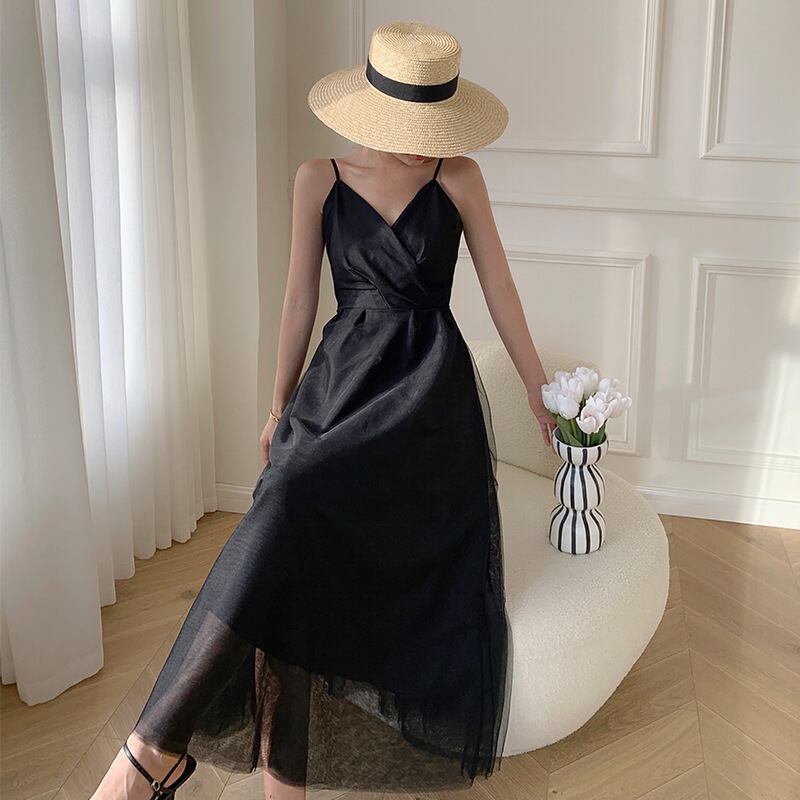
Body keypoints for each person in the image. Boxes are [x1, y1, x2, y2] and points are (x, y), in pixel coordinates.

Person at [92, 19, 555, 800]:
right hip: (337, 387)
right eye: (410, 127)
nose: (424, 146)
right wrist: (278, 405)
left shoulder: (460, 179)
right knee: (286, 506)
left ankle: (152, 762)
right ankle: (195, 760)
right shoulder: (318, 178)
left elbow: (500, 288)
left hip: (426, 404)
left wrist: (541, 393)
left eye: (434, 129)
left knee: (294, 536)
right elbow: (299, 300)